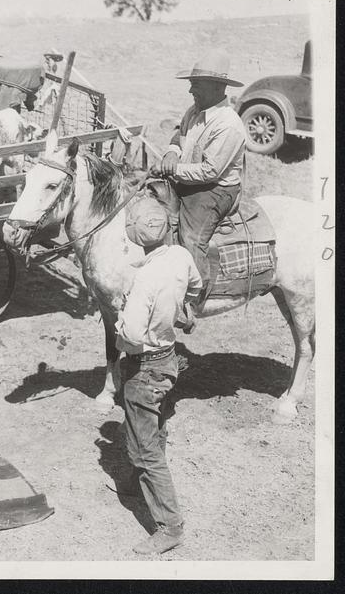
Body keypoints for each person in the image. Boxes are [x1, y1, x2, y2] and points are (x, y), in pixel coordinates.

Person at [115, 197, 202, 555]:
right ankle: (136, 484)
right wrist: (180, 310)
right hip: (168, 358)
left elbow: (133, 336)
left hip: (144, 365)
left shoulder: (143, 279)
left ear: (135, 233)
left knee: (145, 447)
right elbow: (195, 287)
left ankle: (170, 526)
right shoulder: (180, 256)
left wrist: (120, 327)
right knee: (153, 426)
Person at [153, 49, 246, 305]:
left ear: (217, 87)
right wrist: (172, 152)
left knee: (192, 238)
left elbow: (210, 171)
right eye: (192, 84)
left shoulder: (228, 124)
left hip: (215, 189)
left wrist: (172, 169)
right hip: (188, 178)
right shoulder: (194, 111)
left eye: (196, 85)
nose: (190, 90)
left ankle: (193, 299)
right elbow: (178, 134)